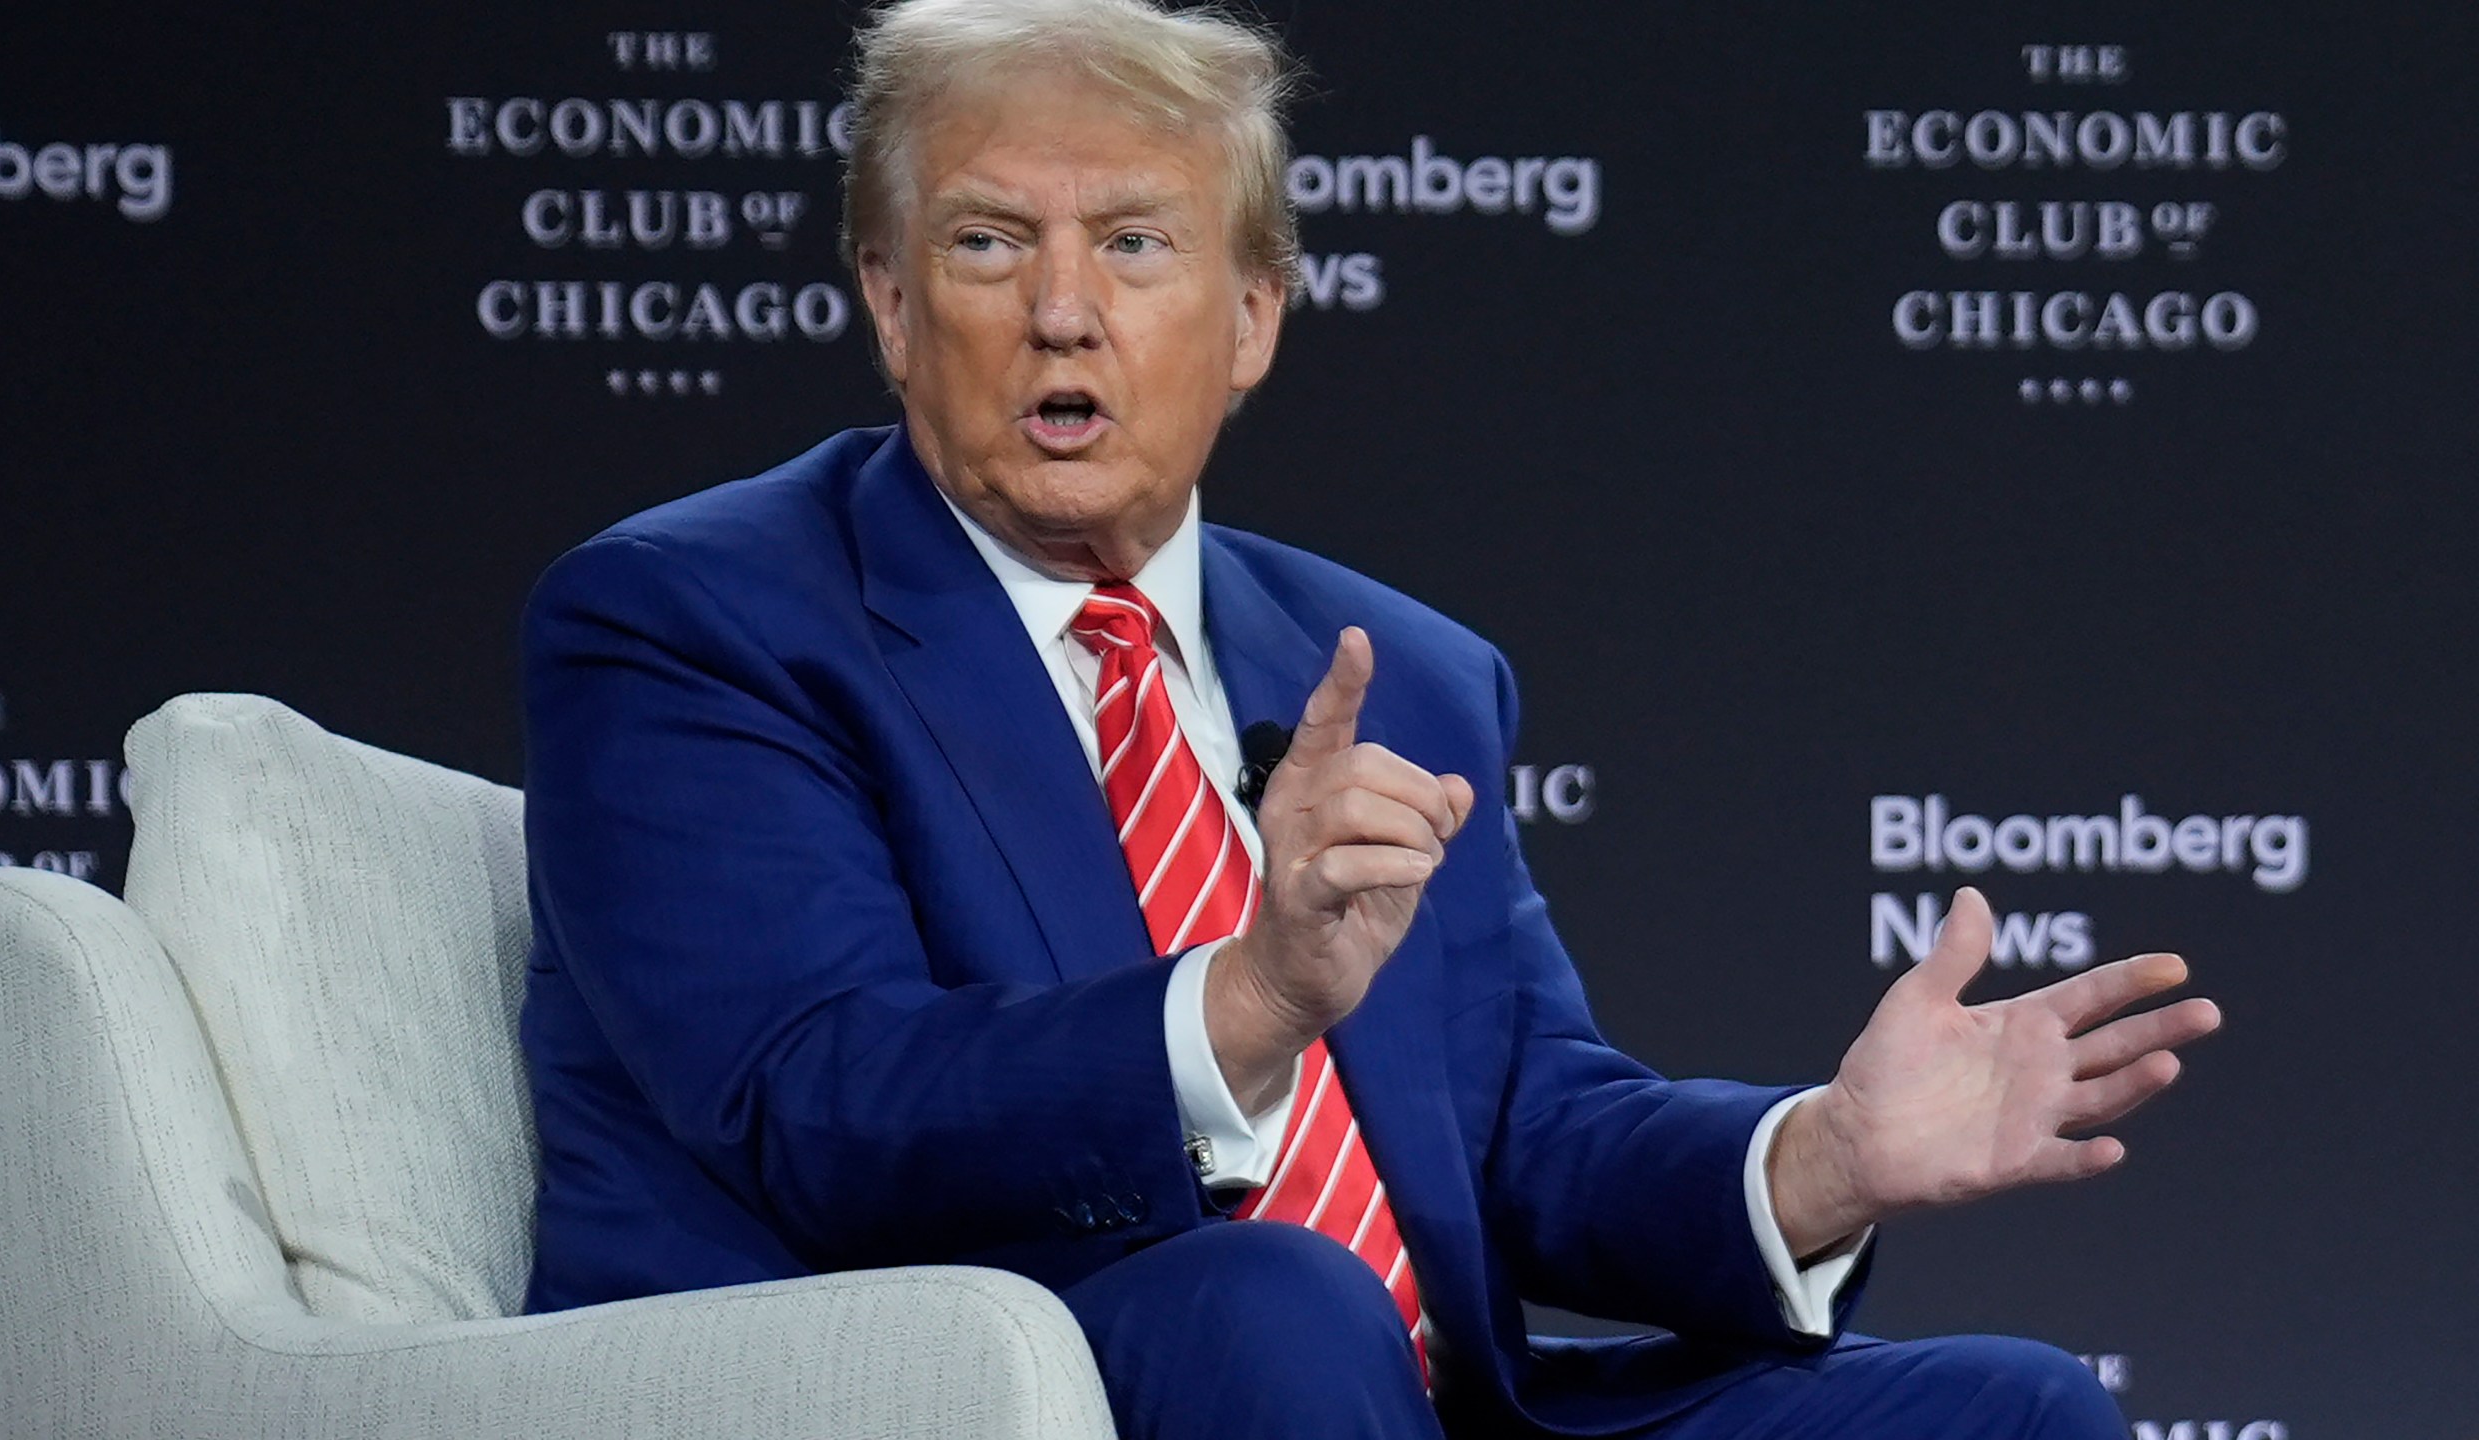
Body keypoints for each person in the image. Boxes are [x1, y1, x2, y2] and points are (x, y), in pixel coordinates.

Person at [516, 1, 2222, 1434]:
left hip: (1421, 1399)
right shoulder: (698, 621)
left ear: (1251, 317)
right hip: (1002, 1385)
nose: (1061, 308)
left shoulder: (1400, 670)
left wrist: (1823, 1162)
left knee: (2011, 1409)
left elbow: (1527, 1129)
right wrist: (1248, 1003)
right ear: (890, 304)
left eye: (1134, 242)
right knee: (1278, 1302)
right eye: (985, 242)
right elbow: (820, 1104)